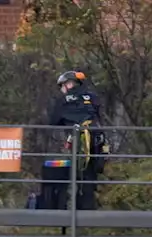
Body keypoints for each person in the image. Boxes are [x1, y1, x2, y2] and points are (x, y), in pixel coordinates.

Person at [39, 70, 106, 211]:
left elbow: (53, 121)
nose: (62, 90)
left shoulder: (63, 101)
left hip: (79, 142)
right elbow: (99, 115)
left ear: (69, 84)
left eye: (62, 86)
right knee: (90, 176)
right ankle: (90, 211)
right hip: (97, 140)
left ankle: (75, 212)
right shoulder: (93, 96)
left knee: (75, 176)